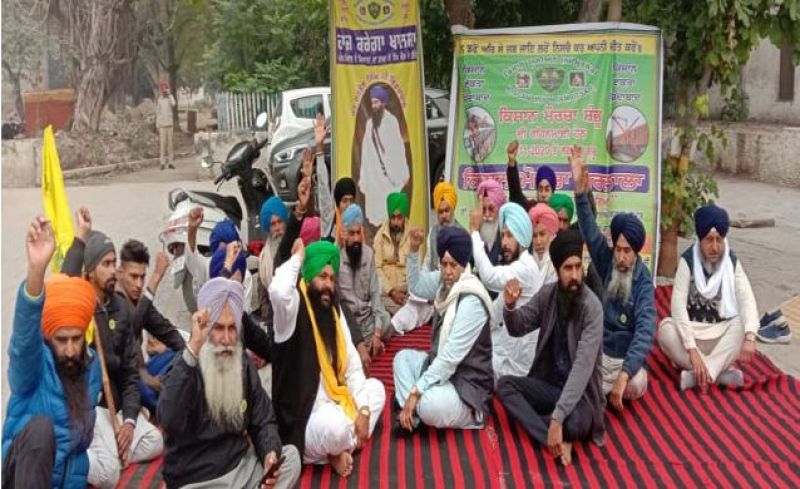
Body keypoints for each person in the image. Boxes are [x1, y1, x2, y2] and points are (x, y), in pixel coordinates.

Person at [158, 278, 301, 489]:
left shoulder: (242, 364)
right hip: (198, 480)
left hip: (240, 470)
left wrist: (269, 453)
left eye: (232, 328)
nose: (226, 339)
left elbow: (264, 421)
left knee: (291, 457)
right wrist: (193, 348)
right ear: (204, 329)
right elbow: (168, 419)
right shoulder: (186, 366)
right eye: (218, 328)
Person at [61, 209, 163, 488]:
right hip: (91, 409)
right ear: (90, 269)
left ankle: (112, 451)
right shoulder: (80, 309)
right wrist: (80, 237)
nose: (112, 270)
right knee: (109, 476)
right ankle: (69, 460)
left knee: (155, 441)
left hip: (116, 408)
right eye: (105, 264)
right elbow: (63, 284)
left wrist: (129, 421)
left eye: (113, 262)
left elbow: (130, 372)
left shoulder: (120, 308)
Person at [269, 239, 386, 477]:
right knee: (336, 429)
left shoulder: (333, 311)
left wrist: (364, 411)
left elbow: (353, 367)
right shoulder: (291, 312)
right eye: (322, 277)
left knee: (377, 390)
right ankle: (338, 448)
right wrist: (298, 258)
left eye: (332, 279)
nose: (328, 286)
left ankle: (338, 450)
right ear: (309, 276)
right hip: (306, 416)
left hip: (336, 401)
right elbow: (279, 292)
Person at [2, 216, 101, 488]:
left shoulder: (90, 370)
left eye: (76, 339)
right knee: (41, 430)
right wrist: (36, 270)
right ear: (48, 337)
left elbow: (77, 455)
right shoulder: (33, 368)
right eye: (61, 340)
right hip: (21, 479)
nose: (69, 350)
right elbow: (23, 341)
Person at [496, 229, 605, 466]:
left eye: (578, 267)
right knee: (504, 386)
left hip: (581, 398)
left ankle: (554, 427)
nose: (575, 275)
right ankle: (552, 437)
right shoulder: (548, 295)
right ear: (557, 270)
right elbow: (518, 327)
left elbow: (582, 368)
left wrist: (558, 416)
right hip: (551, 387)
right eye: (568, 269)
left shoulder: (592, 308)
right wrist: (510, 307)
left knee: (573, 423)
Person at [570, 145, 655, 409]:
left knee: (636, 384)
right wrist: (580, 192)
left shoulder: (643, 281)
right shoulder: (607, 260)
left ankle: (602, 390)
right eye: (618, 249)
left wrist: (625, 374)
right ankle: (598, 391)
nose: (620, 257)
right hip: (600, 353)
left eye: (627, 251)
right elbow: (589, 229)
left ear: (636, 252)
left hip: (625, 361)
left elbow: (645, 331)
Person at [393, 226, 495, 431]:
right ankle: (413, 416)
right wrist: (413, 251)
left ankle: (416, 408)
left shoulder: (471, 299)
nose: (448, 271)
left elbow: (449, 359)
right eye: (444, 264)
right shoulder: (444, 282)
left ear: (463, 265)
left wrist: (416, 390)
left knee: (431, 404)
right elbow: (416, 286)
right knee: (401, 359)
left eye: (453, 265)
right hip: (439, 367)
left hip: (466, 384)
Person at [658, 204, 759, 391]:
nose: (715, 247)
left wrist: (750, 337)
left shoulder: (731, 262)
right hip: (691, 336)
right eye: (709, 240)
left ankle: (702, 374)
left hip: (720, 336)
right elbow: (678, 306)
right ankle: (718, 372)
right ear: (700, 239)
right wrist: (691, 348)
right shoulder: (688, 261)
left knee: (743, 324)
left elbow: (747, 298)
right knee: (666, 329)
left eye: (719, 240)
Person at [470, 202, 544, 380]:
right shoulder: (517, 268)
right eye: (502, 236)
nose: (504, 243)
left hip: (517, 368)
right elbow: (497, 311)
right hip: (507, 349)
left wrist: (474, 232)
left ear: (522, 237)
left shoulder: (525, 268)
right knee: (474, 339)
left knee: (467, 356)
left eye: (510, 236)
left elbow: (488, 277)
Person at [373, 192, 432, 348]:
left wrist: (407, 292)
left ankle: (398, 321)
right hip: (386, 295)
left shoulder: (414, 236)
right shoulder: (380, 237)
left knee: (422, 307)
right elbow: (377, 268)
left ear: (404, 216)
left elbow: (417, 267)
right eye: (393, 217)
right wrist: (392, 292)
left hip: (407, 294)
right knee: (381, 307)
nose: (395, 222)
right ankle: (397, 321)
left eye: (399, 218)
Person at [336, 203, 391, 371]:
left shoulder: (368, 254)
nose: (355, 239)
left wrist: (377, 334)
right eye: (351, 233)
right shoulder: (335, 258)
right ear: (344, 234)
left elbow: (375, 296)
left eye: (358, 233)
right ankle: (362, 347)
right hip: (347, 324)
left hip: (367, 322)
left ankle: (370, 344)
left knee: (386, 320)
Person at [186, 210, 258, 313]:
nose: (227, 253)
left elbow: (244, 311)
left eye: (230, 248)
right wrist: (192, 229)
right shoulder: (207, 266)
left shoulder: (245, 275)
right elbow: (191, 257)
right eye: (223, 248)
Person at [359, 84, 410, 227]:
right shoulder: (369, 124)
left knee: (389, 213)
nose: (374, 106)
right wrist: (365, 176)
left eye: (376, 102)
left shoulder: (391, 121)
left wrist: (403, 172)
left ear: (383, 103)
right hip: (374, 175)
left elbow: (398, 150)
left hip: (389, 177)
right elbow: (365, 151)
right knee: (376, 213)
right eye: (372, 103)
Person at [257, 195, 289, 327]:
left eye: (280, 222)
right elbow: (263, 295)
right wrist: (269, 317)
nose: (277, 228)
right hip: (274, 319)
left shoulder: (296, 248)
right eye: (273, 224)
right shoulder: (263, 257)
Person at [505, 140, 556, 211]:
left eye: (547, 190)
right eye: (540, 189)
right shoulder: (531, 208)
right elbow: (516, 196)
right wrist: (511, 162)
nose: (543, 195)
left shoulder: (558, 212)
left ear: (552, 192)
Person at [424, 182, 463, 272]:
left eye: (447, 210)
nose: (444, 216)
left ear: (453, 209)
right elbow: (427, 263)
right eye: (440, 212)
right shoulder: (432, 232)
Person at [475, 178, 507, 265]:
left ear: (499, 208)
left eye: (491, 209)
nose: (487, 214)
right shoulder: (475, 236)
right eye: (483, 209)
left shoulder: (507, 235)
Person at [528, 203, 559, 284]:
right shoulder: (527, 266)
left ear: (552, 236)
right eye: (534, 236)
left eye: (542, 234)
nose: (538, 242)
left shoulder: (559, 268)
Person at [157, 81, 176, 170]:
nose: (164, 91)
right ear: (161, 90)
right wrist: (157, 124)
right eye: (163, 89)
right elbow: (158, 112)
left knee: (170, 145)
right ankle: (162, 162)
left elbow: (173, 104)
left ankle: (171, 162)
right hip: (162, 125)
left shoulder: (170, 98)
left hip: (169, 124)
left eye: (165, 89)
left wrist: (169, 95)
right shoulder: (160, 99)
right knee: (162, 145)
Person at [332, 177, 357, 245]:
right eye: (344, 201)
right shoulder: (331, 226)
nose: (348, 205)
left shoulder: (358, 225)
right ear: (338, 204)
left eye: (351, 200)